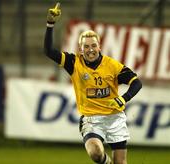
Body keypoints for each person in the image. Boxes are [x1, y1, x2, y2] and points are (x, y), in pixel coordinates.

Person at [44, 3, 142, 164]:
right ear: (81, 49)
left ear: (99, 46)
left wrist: (124, 98)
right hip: (91, 119)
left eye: (93, 45)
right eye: (86, 47)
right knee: (96, 153)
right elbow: (48, 51)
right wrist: (50, 24)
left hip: (115, 118)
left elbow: (137, 83)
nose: (90, 50)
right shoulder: (74, 62)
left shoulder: (112, 65)